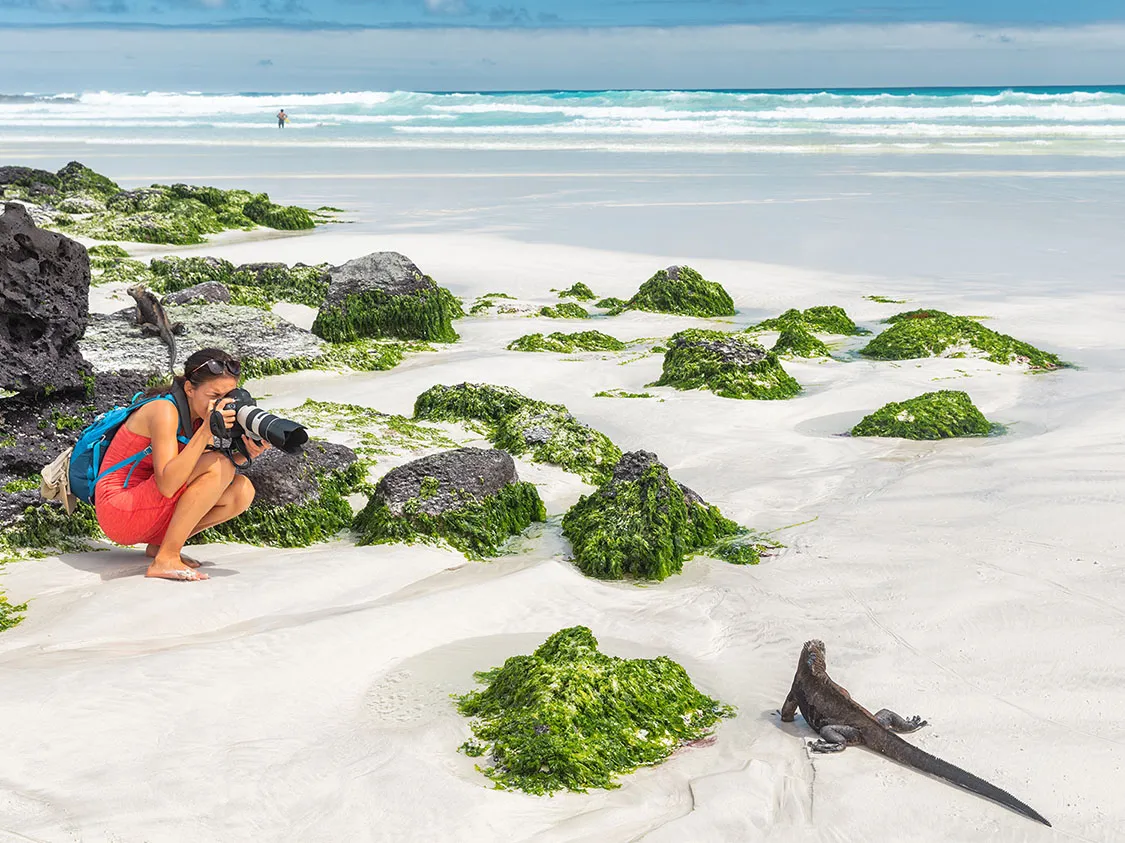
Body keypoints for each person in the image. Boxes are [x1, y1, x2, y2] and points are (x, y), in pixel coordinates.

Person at [94, 348, 268, 581]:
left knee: (241, 491)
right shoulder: (164, 410)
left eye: (228, 397)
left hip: (146, 504)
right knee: (219, 464)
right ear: (189, 389)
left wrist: (246, 453)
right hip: (119, 509)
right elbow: (168, 484)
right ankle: (166, 558)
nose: (222, 405)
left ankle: (160, 545)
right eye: (214, 396)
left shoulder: (197, 415)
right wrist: (207, 430)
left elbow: (197, 473)